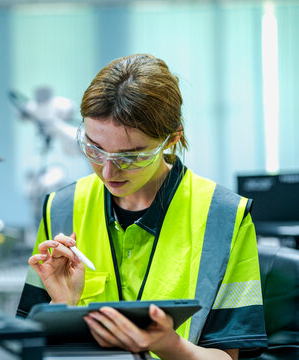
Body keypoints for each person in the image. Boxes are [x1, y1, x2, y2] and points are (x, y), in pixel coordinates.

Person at [17, 54, 267, 359]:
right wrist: (62, 305)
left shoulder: (225, 216)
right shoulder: (60, 208)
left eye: (131, 157)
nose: (108, 172)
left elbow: (229, 357)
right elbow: (27, 347)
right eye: (94, 149)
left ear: (172, 138)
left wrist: (168, 345)